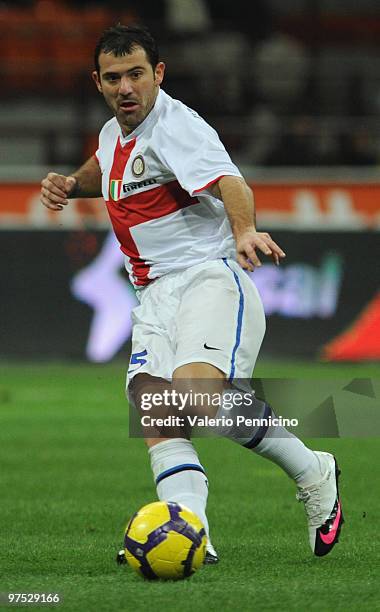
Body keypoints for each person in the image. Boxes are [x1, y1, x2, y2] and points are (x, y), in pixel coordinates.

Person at [40, 24, 344, 564]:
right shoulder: (115, 134)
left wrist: (245, 230)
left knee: (197, 396)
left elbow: (231, 182)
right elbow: (105, 169)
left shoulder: (176, 126)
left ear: (158, 74)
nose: (126, 87)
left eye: (136, 74)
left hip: (207, 277)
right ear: (98, 82)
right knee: (156, 412)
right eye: (114, 78)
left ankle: (313, 469)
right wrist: (69, 182)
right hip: (154, 295)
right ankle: (189, 531)